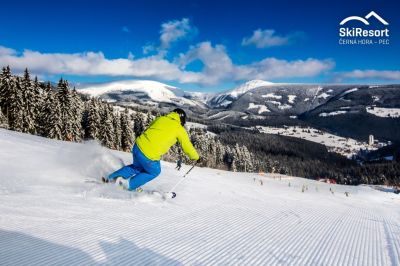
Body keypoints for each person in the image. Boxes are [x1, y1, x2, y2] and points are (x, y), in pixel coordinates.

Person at [105, 108, 200, 191]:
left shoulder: (161, 119)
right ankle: (128, 185)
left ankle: (111, 178)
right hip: (149, 154)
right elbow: (187, 146)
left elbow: (151, 128)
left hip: (138, 146)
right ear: (182, 120)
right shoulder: (179, 129)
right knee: (154, 171)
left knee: (137, 167)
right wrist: (196, 157)